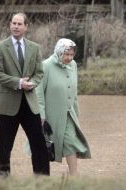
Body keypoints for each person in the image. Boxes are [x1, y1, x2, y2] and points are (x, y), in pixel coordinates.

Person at [0, 12, 50, 177]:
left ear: (26, 27)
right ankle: (3, 179)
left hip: (29, 102)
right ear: (10, 25)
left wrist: (32, 83)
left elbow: (39, 72)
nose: (15, 26)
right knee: (4, 145)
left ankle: (42, 180)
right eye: (13, 23)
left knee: (38, 143)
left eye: (19, 24)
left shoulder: (34, 47)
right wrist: (18, 83)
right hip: (7, 104)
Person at [36, 38, 91, 176]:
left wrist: (76, 113)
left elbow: (74, 91)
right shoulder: (46, 65)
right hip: (50, 115)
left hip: (69, 114)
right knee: (46, 146)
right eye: (66, 54)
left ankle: (74, 176)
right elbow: (39, 92)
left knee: (71, 142)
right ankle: (41, 177)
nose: (69, 58)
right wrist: (41, 115)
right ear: (59, 51)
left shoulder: (73, 65)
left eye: (72, 54)